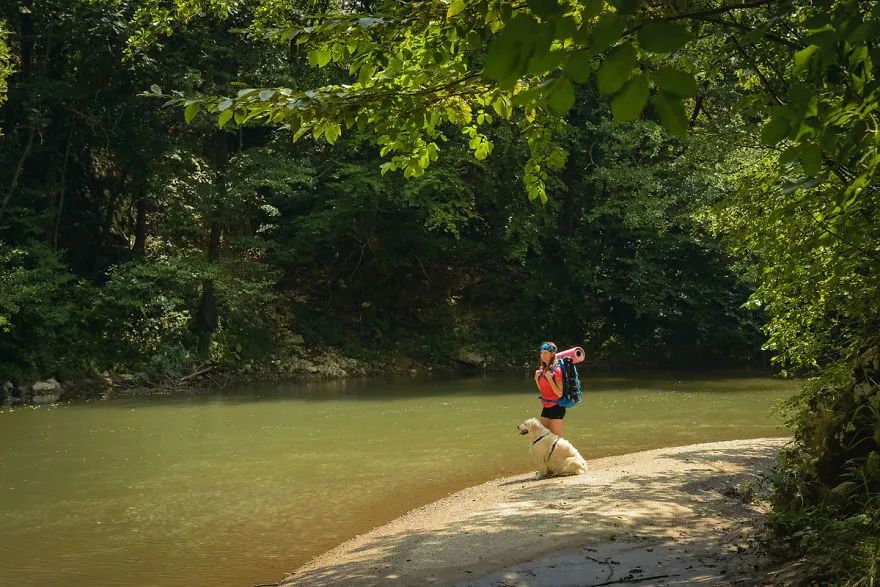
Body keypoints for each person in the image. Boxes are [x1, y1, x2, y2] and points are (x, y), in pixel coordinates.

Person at [534, 341, 565, 436]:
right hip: (546, 406)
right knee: (541, 436)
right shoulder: (543, 369)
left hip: (557, 406)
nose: (543, 355)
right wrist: (536, 378)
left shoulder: (557, 370)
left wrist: (550, 379)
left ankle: (564, 451)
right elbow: (543, 391)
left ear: (552, 354)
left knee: (556, 439)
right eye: (541, 353)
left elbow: (559, 393)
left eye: (546, 353)